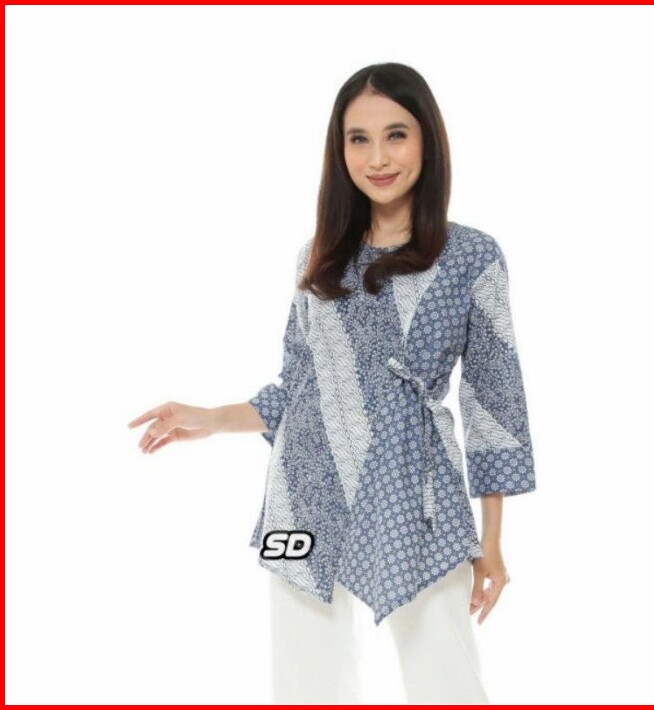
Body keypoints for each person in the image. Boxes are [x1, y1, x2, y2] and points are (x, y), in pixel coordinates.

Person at [128, 62, 536, 705]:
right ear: (338, 150)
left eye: (396, 135)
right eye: (358, 139)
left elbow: (493, 401)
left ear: (427, 140)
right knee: (306, 686)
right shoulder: (318, 256)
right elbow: (299, 387)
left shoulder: (471, 257)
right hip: (307, 490)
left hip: (414, 492)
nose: (377, 158)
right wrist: (211, 418)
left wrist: (491, 541)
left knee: (446, 682)